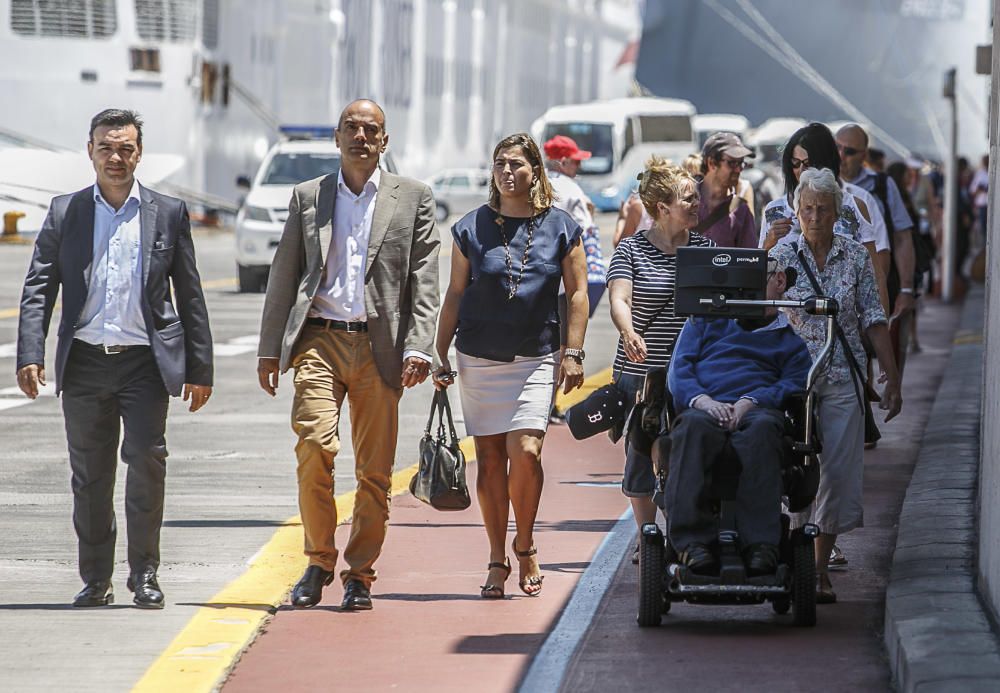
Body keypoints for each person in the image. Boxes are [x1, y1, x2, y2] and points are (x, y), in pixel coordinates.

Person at [16, 108, 214, 609]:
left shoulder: (167, 212)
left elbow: (190, 294)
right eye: (106, 148)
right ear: (90, 152)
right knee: (90, 475)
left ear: (138, 153)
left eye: (125, 148)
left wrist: (199, 368)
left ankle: (145, 575)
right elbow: (39, 286)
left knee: (147, 462)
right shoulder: (67, 212)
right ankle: (95, 579)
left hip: (144, 363)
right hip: (84, 363)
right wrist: (31, 352)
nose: (116, 157)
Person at [256, 99, 440, 612]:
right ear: (337, 137)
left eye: (371, 130)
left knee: (375, 472)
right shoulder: (308, 196)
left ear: (385, 140)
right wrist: (270, 350)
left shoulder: (414, 198)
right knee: (315, 446)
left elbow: (425, 281)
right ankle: (317, 562)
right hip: (319, 338)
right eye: (352, 128)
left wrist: (420, 347)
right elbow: (284, 275)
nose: (361, 136)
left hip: (380, 349)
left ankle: (359, 573)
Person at [434, 132, 588, 599]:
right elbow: (455, 294)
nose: (506, 171)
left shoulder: (562, 227)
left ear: (535, 171)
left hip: (535, 356)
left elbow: (578, 294)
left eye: (517, 164)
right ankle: (496, 558)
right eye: (500, 163)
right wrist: (437, 353)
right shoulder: (470, 228)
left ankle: (525, 545)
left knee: (527, 452)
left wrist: (574, 351)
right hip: (478, 358)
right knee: (490, 463)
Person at [770, 168, 902, 604]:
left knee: (837, 472)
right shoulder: (781, 255)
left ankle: (819, 566)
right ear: (797, 208)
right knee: (793, 469)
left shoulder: (855, 256)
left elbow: (872, 318)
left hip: (843, 375)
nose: (813, 217)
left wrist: (891, 374)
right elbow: (764, 318)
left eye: (822, 210)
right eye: (807, 208)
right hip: (793, 379)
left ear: (836, 213)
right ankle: (793, 558)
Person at [665, 257, 812, 575]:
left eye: (761, 276)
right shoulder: (704, 322)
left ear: (780, 283)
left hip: (757, 409)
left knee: (763, 432)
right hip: (705, 405)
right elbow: (680, 370)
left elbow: (794, 382)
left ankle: (760, 544)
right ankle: (693, 543)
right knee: (691, 428)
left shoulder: (790, 341)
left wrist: (751, 401)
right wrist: (703, 401)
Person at [607, 157, 714, 561]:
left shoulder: (705, 250)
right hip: (641, 372)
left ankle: (683, 529)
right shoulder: (632, 249)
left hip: (691, 372)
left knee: (683, 450)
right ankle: (646, 534)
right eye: (688, 199)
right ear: (662, 207)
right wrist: (629, 330)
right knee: (640, 450)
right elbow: (619, 297)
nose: (696, 205)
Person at [758, 122, 890, 312]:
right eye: (795, 163)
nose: (801, 171)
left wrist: (879, 323)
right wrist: (768, 244)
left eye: (808, 164)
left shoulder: (853, 206)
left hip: (841, 319)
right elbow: (760, 272)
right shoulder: (774, 210)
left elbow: (875, 274)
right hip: (786, 326)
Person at [543, 134, 605, 422]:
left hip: (537, 279)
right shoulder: (570, 189)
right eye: (575, 161)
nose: (577, 167)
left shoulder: (535, 183)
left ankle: (542, 403)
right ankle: (549, 404)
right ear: (563, 161)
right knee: (564, 345)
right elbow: (585, 228)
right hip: (563, 282)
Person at [836, 124, 917, 322]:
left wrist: (906, 289)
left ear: (864, 156)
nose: (840, 155)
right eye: (836, 147)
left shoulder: (881, 185)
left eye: (849, 151)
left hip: (878, 283)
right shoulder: (820, 185)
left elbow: (902, 238)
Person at [695, 132, 757, 248]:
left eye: (741, 163)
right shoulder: (683, 201)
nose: (738, 170)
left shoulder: (741, 211)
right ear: (711, 163)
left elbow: (749, 260)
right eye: (732, 163)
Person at [970, 154, 989, 243]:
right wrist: (981, 189)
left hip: (991, 205)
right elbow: (973, 190)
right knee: (983, 228)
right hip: (982, 205)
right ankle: (984, 245)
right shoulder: (980, 173)